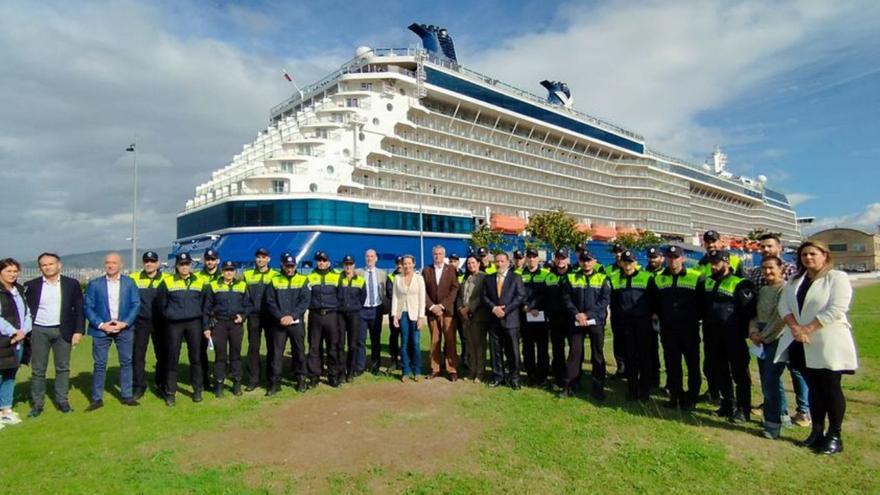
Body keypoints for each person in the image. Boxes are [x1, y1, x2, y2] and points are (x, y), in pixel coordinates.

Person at [776, 240, 857, 455]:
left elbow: (838, 307)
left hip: (827, 342)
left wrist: (808, 328)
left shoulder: (836, 278)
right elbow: (783, 305)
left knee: (830, 388)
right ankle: (817, 431)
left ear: (825, 255)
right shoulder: (795, 281)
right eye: (804, 255)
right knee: (814, 389)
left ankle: (835, 435)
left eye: (813, 254)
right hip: (800, 343)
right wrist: (795, 328)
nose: (808, 258)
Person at [749, 233, 810, 427]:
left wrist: (765, 334)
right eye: (762, 247)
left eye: (769, 246)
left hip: (786, 330)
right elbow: (756, 305)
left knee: (795, 371)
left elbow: (788, 308)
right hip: (763, 328)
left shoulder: (793, 271)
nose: (765, 249)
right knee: (770, 375)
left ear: (780, 247)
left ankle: (803, 410)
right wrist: (754, 331)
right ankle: (776, 407)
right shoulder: (757, 273)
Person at [24, 252, 83, 417]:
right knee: (38, 370)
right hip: (38, 331)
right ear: (40, 267)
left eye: (51, 264)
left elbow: (79, 309)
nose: (47, 267)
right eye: (43, 265)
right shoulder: (31, 285)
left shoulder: (71, 284)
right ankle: (37, 404)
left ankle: (62, 401)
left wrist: (78, 331)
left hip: (63, 330)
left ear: (59, 265)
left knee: (63, 368)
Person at [702, 249, 756, 423]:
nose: (713, 265)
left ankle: (743, 408)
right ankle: (727, 404)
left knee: (739, 373)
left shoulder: (741, 283)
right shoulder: (708, 282)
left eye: (717, 262)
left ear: (726, 262)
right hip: (712, 335)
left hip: (733, 336)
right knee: (719, 371)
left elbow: (748, 311)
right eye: (711, 262)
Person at [648, 246, 705, 410]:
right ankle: (675, 395)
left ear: (683, 258)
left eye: (676, 257)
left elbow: (702, 303)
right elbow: (653, 302)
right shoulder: (658, 278)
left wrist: (694, 318)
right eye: (670, 257)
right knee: (672, 365)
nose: (673, 260)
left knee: (693, 365)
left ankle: (692, 397)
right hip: (668, 330)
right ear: (665, 258)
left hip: (689, 329)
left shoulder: (696, 277)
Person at [83, 252, 141, 411]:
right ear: (104, 265)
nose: (110, 265)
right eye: (108, 262)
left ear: (120, 265)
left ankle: (126, 396)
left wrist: (125, 323)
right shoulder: (95, 284)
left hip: (124, 329)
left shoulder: (129, 283)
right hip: (102, 330)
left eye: (114, 263)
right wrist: (102, 324)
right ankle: (96, 399)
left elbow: (136, 304)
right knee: (100, 364)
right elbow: (88, 307)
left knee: (126, 362)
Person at [157, 252, 207, 406]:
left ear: (191, 265)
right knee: (172, 358)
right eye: (181, 264)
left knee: (196, 357)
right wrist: (170, 315)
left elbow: (205, 304)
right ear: (176, 266)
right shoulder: (167, 282)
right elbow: (161, 304)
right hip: (174, 324)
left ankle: (197, 389)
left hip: (194, 323)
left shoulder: (200, 281)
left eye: (187, 264)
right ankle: (170, 392)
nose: (184, 267)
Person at [561, 249, 611, 399]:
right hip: (576, 320)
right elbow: (566, 298)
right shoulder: (571, 277)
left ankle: (598, 387)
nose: (586, 263)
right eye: (583, 260)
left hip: (595, 321)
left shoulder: (603, 278)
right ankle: (570, 385)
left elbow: (604, 301)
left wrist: (587, 314)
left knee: (597, 354)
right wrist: (576, 314)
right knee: (575, 353)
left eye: (589, 260)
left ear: (595, 262)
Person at [749, 256, 788, 438]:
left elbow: (781, 318)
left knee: (771, 381)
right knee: (766, 379)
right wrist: (753, 332)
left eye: (771, 268)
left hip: (776, 337)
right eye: (764, 268)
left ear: (781, 268)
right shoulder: (764, 290)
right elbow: (756, 314)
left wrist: (763, 336)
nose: (768, 272)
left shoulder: (785, 289)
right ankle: (778, 415)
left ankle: (773, 424)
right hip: (761, 337)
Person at [608, 250, 654, 401]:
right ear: (621, 263)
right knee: (630, 358)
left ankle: (645, 391)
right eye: (625, 262)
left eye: (630, 262)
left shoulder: (647, 277)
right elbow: (614, 303)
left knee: (644, 358)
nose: (627, 266)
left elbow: (654, 301)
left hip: (643, 324)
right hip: (626, 324)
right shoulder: (615, 279)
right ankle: (632, 390)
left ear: (635, 263)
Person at [203, 260, 252, 397]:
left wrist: (243, 316)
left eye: (231, 270)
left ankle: (237, 383)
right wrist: (206, 327)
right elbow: (206, 308)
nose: (229, 272)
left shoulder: (242, 285)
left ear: (235, 272)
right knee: (220, 355)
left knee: (235, 354)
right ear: (222, 271)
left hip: (236, 324)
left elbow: (248, 305)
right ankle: (219, 383)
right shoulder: (213, 286)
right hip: (219, 324)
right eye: (226, 270)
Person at [264, 253, 310, 395]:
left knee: (299, 352)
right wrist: (280, 317)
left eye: (291, 266)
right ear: (282, 265)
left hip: (296, 323)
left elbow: (305, 301)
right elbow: (270, 301)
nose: (289, 269)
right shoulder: (275, 280)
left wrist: (292, 316)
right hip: (279, 324)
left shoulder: (303, 279)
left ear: (295, 266)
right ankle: (275, 383)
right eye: (286, 266)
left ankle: (301, 379)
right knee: (276, 354)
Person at [481, 252, 526, 389]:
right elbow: (484, 296)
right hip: (494, 320)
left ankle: (514, 377)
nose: (499, 264)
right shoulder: (488, 278)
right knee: (495, 350)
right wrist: (494, 308)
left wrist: (505, 310)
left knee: (513, 350)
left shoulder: (516, 278)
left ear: (508, 262)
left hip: (511, 320)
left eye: (502, 261)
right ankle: (498, 376)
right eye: (497, 261)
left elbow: (520, 296)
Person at [130, 251, 170, 400]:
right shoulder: (134, 278)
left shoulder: (167, 279)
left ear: (158, 264)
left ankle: (161, 384)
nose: (149, 264)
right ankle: (139, 386)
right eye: (146, 261)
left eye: (152, 261)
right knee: (138, 355)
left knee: (163, 355)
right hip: (141, 322)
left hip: (161, 323)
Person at [243, 248, 279, 391]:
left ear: (268, 259)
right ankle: (253, 379)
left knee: (272, 347)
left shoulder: (275, 275)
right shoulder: (247, 275)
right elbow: (244, 296)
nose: (260, 260)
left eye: (263, 257)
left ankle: (271, 379)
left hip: (270, 316)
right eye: (258, 257)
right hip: (254, 316)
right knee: (253, 348)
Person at [0, 258, 31, 428]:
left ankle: (6, 409)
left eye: (14, 271)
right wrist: (13, 331)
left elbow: (27, 313)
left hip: (18, 339)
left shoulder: (19, 289)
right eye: (8, 271)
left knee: (10, 374)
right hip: (4, 338)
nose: (12, 274)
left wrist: (23, 331)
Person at [423, 245, 460, 381]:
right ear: (432, 255)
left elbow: (455, 288)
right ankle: (435, 368)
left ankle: (452, 369)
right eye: (435, 254)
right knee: (434, 340)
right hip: (432, 312)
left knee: (450, 340)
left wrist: (443, 305)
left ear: (444, 255)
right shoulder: (426, 270)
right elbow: (423, 291)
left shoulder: (451, 269)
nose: (437, 256)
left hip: (447, 312)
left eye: (440, 254)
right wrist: (432, 306)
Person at [307, 251, 342, 387]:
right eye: (319, 260)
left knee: (332, 347)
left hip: (331, 316)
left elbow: (341, 296)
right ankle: (314, 375)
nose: (321, 262)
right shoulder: (310, 277)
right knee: (314, 347)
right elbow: (306, 296)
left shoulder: (336, 276)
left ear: (328, 262)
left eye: (323, 260)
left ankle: (332, 375)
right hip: (315, 316)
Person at [390, 255, 426, 382]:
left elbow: (422, 299)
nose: (407, 266)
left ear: (414, 264)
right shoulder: (397, 278)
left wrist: (421, 317)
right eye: (405, 264)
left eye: (409, 263)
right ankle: (405, 371)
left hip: (415, 314)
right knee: (404, 343)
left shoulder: (419, 279)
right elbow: (395, 297)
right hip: (402, 314)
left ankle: (417, 370)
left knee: (415, 343)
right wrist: (394, 315)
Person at [519, 248, 549, 387]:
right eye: (529, 256)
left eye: (534, 257)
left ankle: (542, 376)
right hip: (525, 316)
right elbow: (518, 294)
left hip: (540, 316)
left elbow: (547, 295)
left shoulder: (545, 274)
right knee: (527, 347)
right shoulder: (519, 274)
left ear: (538, 259)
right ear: (526, 258)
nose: (531, 259)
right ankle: (530, 375)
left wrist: (538, 307)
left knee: (542, 348)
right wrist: (524, 306)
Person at [456, 255, 488, 381]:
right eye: (468, 263)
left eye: (473, 262)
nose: (471, 265)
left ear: (479, 263)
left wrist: (469, 308)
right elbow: (460, 296)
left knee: (479, 345)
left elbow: (482, 296)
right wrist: (461, 309)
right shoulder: (466, 278)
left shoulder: (483, 277)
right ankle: (472, 371)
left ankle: (480, 373)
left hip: (478, 316)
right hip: (465, 317)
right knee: (470, 345)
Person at [544, 248, 573, 388]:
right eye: (558, 258)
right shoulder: (549, 276)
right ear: (554, 259)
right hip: (555, 319)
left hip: (572, 319)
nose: (560, 260)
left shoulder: (575, 275)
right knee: (557, 350)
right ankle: (559, 378)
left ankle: (573, 379)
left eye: (563, 258)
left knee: (574, 350)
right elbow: (544, 297)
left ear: (567, 259)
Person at [355, 249, 386, 375]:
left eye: (372, 256)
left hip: (376, 310)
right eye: (367, 256)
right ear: (364, 258)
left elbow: (384, 292)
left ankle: (375, 366)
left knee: (375, 340)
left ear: (376, 258)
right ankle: (360, 367)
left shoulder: (382, 274)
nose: (369, 258)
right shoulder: (358, 272)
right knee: (360, 340)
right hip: (362, 310)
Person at [338, 255, 366, 383]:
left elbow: (363, 297)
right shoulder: (338, 279)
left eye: (350, 264)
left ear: (354, 265)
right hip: (340, 315)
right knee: (340, 344)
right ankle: (341, 371)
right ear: (343, 266)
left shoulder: (360, 280)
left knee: (353, 344)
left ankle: (351, 371)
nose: (348, 267)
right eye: (346, 264)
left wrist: (356, 307)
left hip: (354, 315)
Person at [196, 248, 222, 388]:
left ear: (217, 260)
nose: (210, 262)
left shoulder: (223, 276)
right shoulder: (198, 277)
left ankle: (219, 379)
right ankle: (203, 380)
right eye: (208, 259)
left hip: (219, 319)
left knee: (220, 350)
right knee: (201, 351)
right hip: (202, 318)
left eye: (212, 259)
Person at [384, 256, 404, 372]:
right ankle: (394, 361)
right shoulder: (391, 277)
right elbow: (391, 294)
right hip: (394, 312)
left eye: (401, 263)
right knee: (394, 337)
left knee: (405, 338)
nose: (399, 265)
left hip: (406, 312)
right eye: (398, 263)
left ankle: (405, 361)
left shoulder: (408, 276)